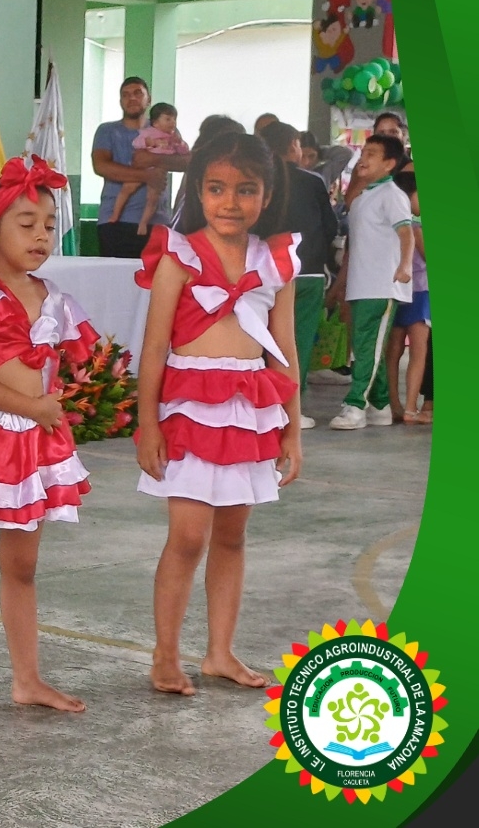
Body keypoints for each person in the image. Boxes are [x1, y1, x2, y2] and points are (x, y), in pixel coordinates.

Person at [134, 132, 302, 695]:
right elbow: (153, 346)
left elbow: (284, 350)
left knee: (232, 536)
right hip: (188, 411)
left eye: (246, 190)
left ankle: (219, 652)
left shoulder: (275, 262)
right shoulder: (178, 255)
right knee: (187, 537)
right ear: (199, 191)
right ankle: (165, 655)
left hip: (249, 413)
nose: (231, 202)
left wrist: (292, 430)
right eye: (217, 188)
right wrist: (148, 424)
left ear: (267, 193)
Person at [0, 156, 97, 731]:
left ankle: (27, 678)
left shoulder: (53, 296)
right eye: (26, 223)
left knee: (23, 567)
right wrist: (35, 406)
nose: (41, 236)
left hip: (35, 445)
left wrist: (82, 394)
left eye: (49, 225)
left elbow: (84, 367)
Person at [328, 134, 414, 430]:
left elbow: (407, 233)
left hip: (382, 284)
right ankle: (379, 406)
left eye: (372, 154)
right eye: (363, 151)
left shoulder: (393, 195)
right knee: (367, 347)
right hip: (361, 284)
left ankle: (354, 406)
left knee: (366, 347)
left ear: (389, 164)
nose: (363, 158)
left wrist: (404, 266)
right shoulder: (365, 196)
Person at [258, 121, 339, 428]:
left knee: (263, 336)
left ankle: (263, 402)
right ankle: (292, 407)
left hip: (264, 271)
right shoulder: (313, 181)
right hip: (307, 271)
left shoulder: (259, 180)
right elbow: (330, 226)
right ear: (294, 145)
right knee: (298, 339)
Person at [92, 77, 189, 258]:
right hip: (115, 223)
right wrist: (146, 175)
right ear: (121, 101)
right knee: (116, 281)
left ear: (148, 99)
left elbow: (186, 162)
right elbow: (101, 166)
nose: (132, 98)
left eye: (138, 93)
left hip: (158, 222)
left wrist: (152, 159)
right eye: (126, 95)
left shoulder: (168, 130)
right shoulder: (107, 131)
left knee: (157, 283)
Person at [108, 102, 191, 236]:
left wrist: (179, 143)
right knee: (127, 189)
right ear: (156, 122)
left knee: (152, 199)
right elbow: (137, 143)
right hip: (142, 170)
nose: (173, 122)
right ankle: (115, 214)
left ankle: (143, 223)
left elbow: (184, 153)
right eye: (168, 119)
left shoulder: (173, 137)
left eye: (174, 119)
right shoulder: (149, 132)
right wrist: (150, 143)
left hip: (158, 172)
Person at [385, 171, 428, 424]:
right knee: (418, 350)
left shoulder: (392, 225)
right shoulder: (415, 225)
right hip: (420, 290)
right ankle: (410, 407)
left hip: (397, 289)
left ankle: (396, 404)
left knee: (394, 350)